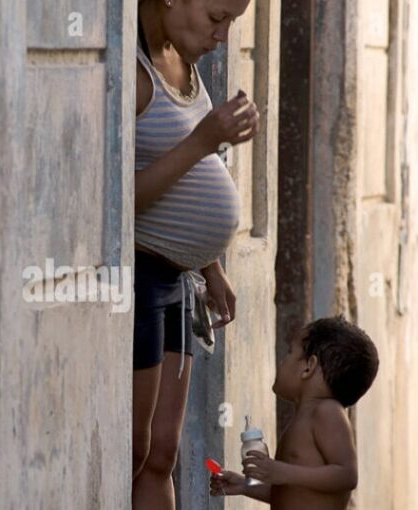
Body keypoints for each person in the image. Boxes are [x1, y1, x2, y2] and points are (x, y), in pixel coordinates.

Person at [132, 0, 258, 509]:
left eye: (231, 22)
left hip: (178, 281)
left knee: (163, 454)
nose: (223, 36)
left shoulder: (183, 61)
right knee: (134, 452)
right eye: (216, 18)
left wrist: (212, 265)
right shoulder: (132, 71)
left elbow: (187, 178)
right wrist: (206, 140)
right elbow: (119, 203)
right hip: (140, 279)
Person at [210, 316, 380, 509]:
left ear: (309, 367)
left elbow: (347, 475)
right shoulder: (303, 418)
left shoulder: (327, 412)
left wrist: (283, 471)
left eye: (290, 352)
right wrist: (244, 485)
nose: (283, 361)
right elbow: (293, 494)